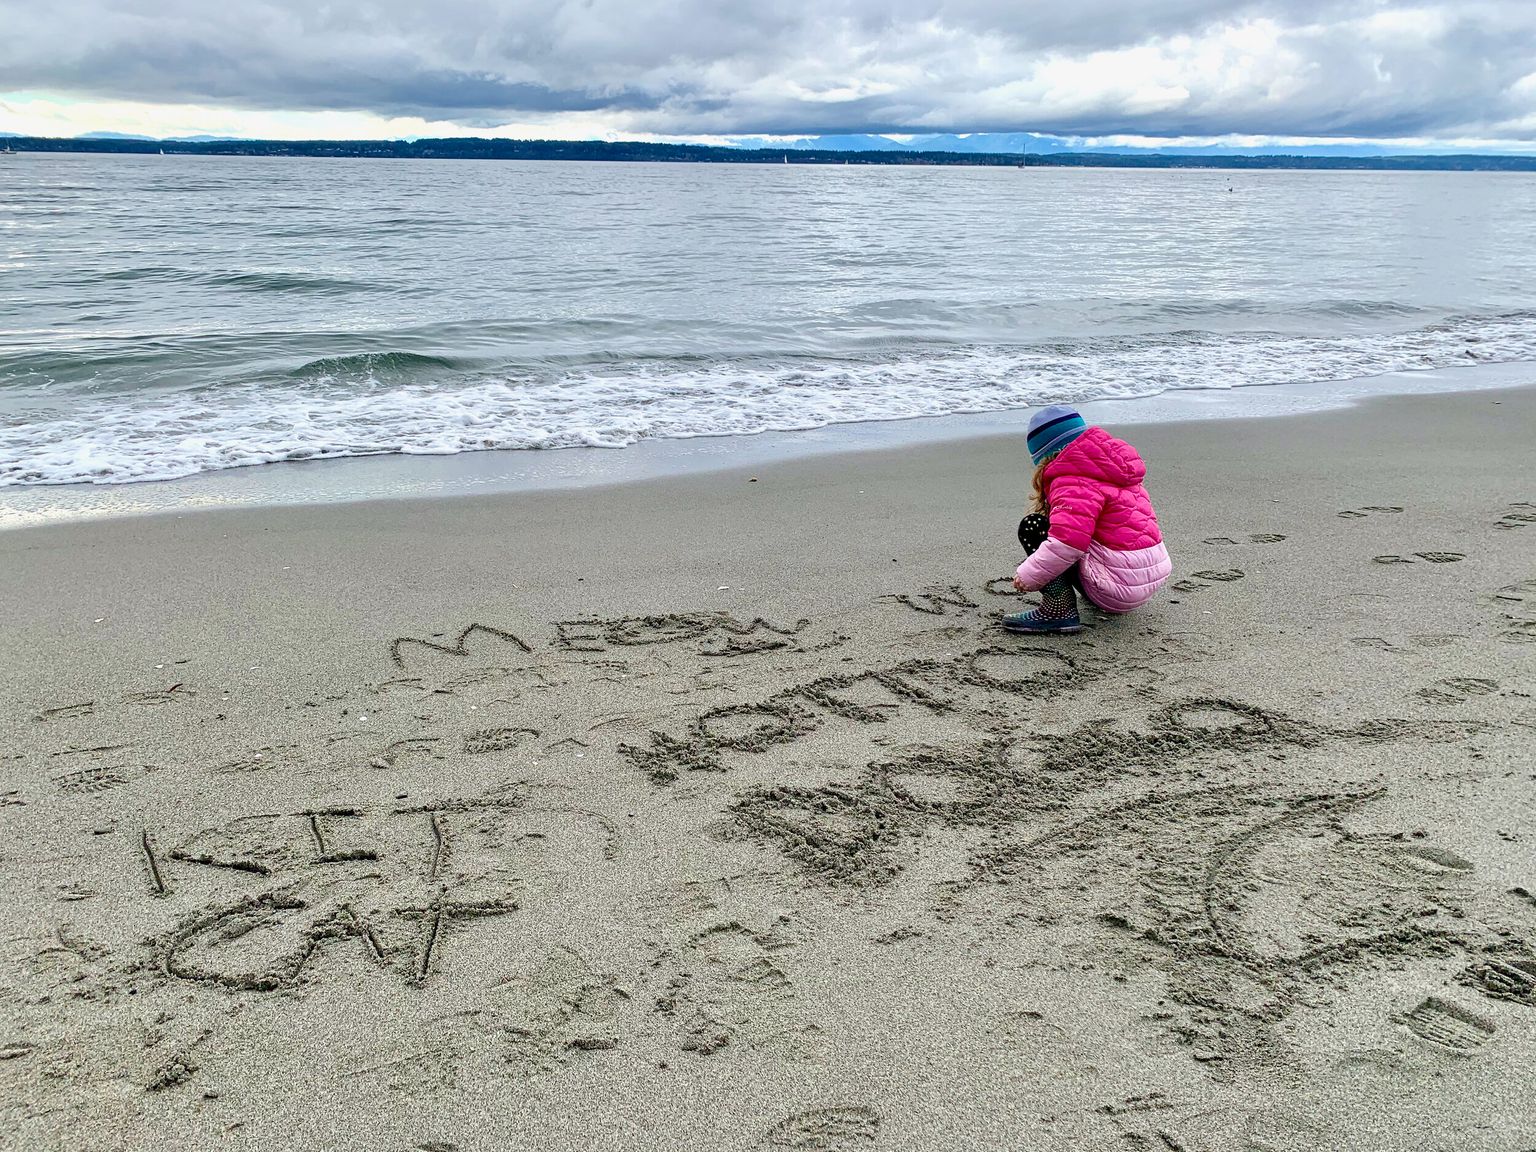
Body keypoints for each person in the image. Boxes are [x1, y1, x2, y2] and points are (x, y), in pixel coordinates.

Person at [1005, 404, 1172, 634]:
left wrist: (1028, 576)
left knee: (1034, 527)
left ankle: (1058, 612)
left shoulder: (1072, 480)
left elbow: (1067, 545)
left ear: (1044, 456)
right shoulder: (1116, 469)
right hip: (1148, 579)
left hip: (1117, 587)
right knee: (1076, 527)